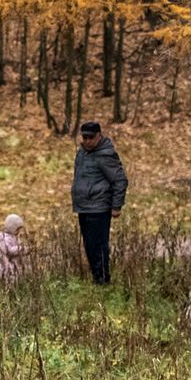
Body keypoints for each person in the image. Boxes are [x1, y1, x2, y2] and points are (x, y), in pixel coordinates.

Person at [69, 120, 126, 284]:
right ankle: (97, 278)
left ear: (99, 136)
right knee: (89, 246)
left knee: (98, 246)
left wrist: (116, 206)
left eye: (91, 137)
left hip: (99, 208)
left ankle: (103, 280)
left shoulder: (106, 155)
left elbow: (120, 180)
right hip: (84, 207)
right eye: (84, 137)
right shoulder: (82, 153)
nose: (87, 141)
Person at [0, 213, 26, 279]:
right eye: (17, 229)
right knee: (10, 278)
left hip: (15, 264)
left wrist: (25, 251)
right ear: (12, 227)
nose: (18, 232)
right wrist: (21, 248)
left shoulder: (13, 237)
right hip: (8, 266)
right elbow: (9, 250)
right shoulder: (6, 238)